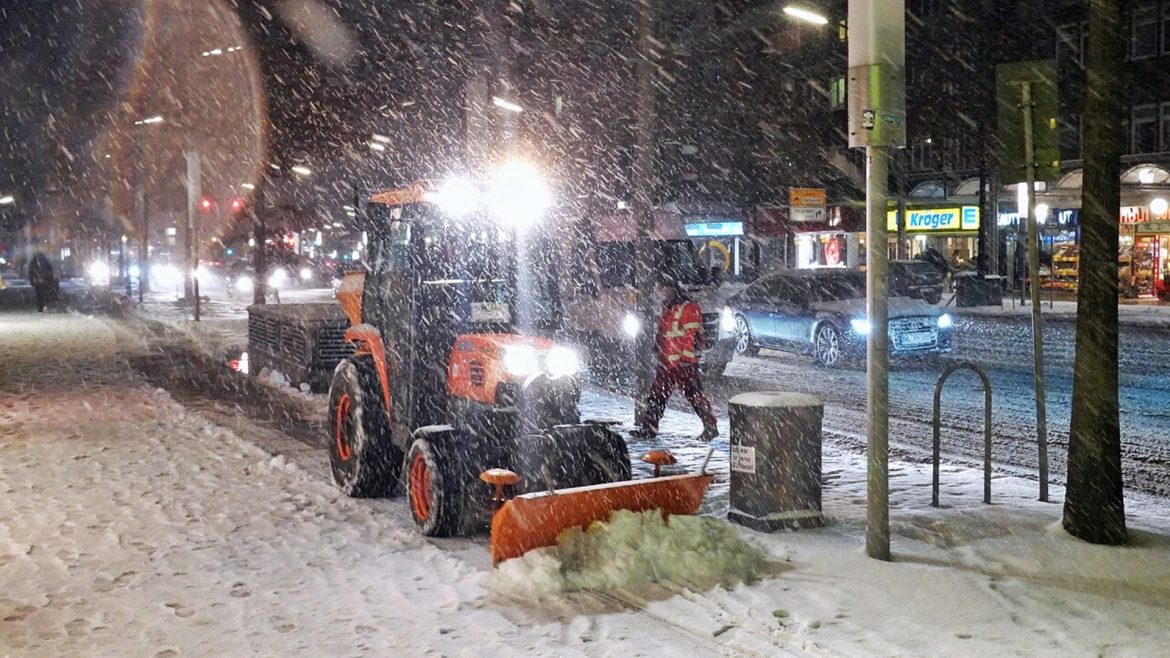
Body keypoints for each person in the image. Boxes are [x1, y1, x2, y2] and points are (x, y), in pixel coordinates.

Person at [630, 278, 718, 441]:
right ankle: (649, 427)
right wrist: (659, 346)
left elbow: (691, 337)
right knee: (658, 396)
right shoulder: (668, 307)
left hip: (682, 364)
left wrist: (685, 358)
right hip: (668, 363)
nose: (659, 291)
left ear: (671, 288)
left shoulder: (687, 308)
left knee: (693, 395)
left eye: (662, 287)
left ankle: (710, 427)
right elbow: (665, 332)